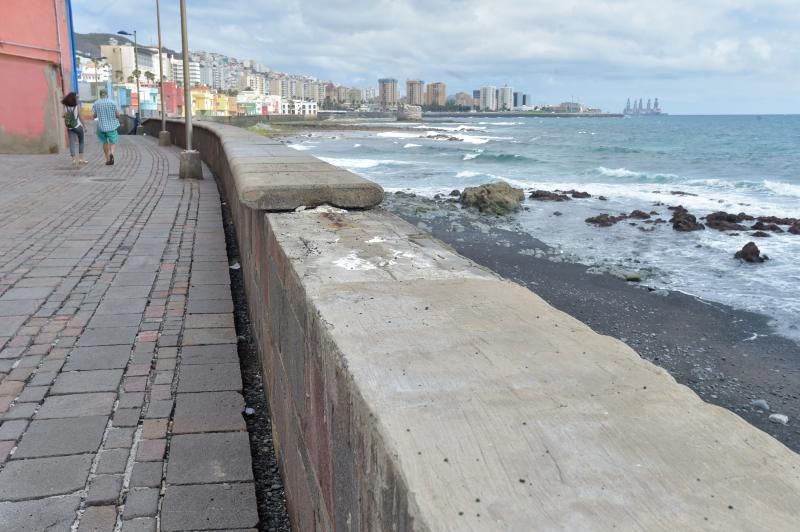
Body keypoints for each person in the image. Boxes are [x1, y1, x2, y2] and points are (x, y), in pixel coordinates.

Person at [92, 89, 121, 165]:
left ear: (100, 95)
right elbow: (118, 115)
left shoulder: (96, 103)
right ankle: (111, 153)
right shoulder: (113, 102)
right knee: (113, 141)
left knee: (104, 142)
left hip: (101, 127)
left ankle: (108, 159)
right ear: (107, 94)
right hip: (112, 126)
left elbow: (94, 116)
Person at [61, 92, 87, 166]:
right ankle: (81, 159)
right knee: (81, 141)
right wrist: (84, 126)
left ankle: (73, 160)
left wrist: (67, 116)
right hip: (78, 126)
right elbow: (81, 117)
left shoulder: (65, 106)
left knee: (71, 143)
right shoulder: (77, 106)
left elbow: (63, 115)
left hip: (70, 127)